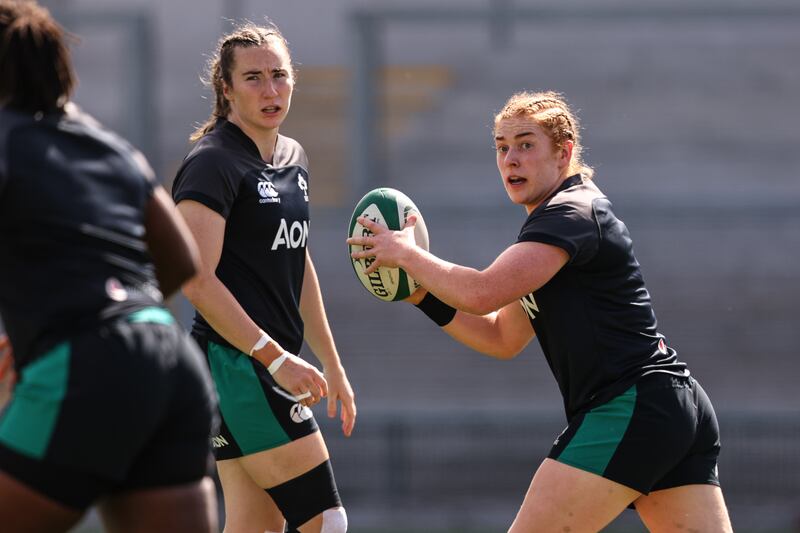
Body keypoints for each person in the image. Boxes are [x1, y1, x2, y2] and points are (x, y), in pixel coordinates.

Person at [348, 91, 733, 532]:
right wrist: (420, 295)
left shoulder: (570, 213)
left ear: (564, 152)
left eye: (526, 144)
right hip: (668, 406)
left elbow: (482, 291)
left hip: (631, 406)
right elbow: (501, 336)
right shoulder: (555, 222)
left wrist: (406, 255)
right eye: (501, 146)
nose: (511, 159)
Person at [0, 1, 219, 532]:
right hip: (170, 362)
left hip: (85, 365)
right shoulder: (110, 146)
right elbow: (181, 258)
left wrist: (73, 328)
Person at [172, 21, 355, 533]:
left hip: (259, 366)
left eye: (279, 75)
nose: (270, 90)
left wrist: (332, 365)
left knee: (256, 527)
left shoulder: (293, 157)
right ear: (225, 89)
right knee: (327, 520)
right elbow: (196, 279)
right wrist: (276, 359)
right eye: (253, 78)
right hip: (238, 364)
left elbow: (297, 265)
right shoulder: (212, 163)